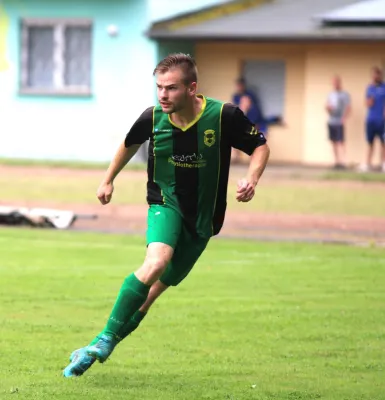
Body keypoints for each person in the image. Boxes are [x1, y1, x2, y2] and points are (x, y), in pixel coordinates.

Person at [63, 53, 270, 378]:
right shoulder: (153, 117)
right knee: (155, 262)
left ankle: (102, 343)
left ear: (191, 88)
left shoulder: (223, 116)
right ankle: (104, 338)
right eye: (159, 87)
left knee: (150, 294)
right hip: (164, 203)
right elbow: (129, 143)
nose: (163, 94)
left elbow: (260, 146)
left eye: (171, 88)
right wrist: (107, 179)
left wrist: (253, 179)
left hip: (204, 220)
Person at [232, 78, 280, 163]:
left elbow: (259, 117)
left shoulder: (251, 98)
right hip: (245, 125)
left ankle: (256, 159)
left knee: (262, 139)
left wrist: (255, 124)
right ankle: (237, 158)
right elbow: (238, 116)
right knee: (234, 135)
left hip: (257, 124)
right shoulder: (236, 98)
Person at [359, 67, 385, 172]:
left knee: (383, 142)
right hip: (371, 120)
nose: (375, 76)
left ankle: (383, 164)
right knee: (370, 142)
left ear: (380, 75)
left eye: (377, 74)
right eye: (373, 74)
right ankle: (367, 164)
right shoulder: (370, 88)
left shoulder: (384, 87)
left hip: (382, 120)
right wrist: (370, 100)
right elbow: (367, 103)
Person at [325, 75, 351, 169]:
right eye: (333, 83)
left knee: (341, 141)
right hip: (331, 121)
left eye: (336, 82)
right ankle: (336, 162)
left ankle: (343, 162)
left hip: (339, 121)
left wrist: (344, 118)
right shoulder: (330, 94)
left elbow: (348, 108)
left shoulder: (345, 94)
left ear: (339, 83)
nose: (334, 84)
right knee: (333, 141)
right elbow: (327, 107)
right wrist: (328, 108)